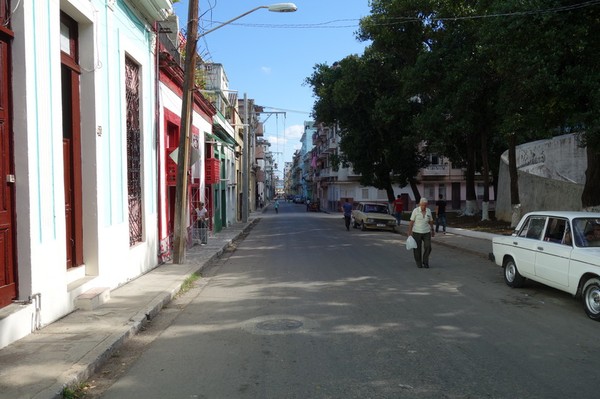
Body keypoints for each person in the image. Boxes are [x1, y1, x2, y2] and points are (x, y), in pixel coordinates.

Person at [408, 197, 435, 268]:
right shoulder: (415, 211)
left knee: (428, 246)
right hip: (417, 232)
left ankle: (425, 261)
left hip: (426, 232)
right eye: (422, 205)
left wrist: (432, 230)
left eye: (425, 205)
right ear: (420, 204)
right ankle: (418, 262)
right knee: (417, 248)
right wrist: (409, 232)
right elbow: (411, 222)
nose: (424, 207)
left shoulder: (428, 211)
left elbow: (431, 221)